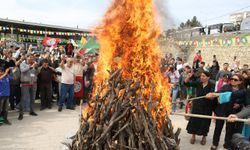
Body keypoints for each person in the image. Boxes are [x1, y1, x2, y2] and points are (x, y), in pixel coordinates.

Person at [211, 74, 244, 150]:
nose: (232, 80)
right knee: (218, 128)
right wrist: (214, 96)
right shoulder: (226, 87)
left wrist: (239, 104)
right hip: (221, 111)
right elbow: (218, 93)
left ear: (240, 82)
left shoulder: (242, 90)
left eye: (235, 80)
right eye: (232, 79)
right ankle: (214, 144)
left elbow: (244, 101)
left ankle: (226, 145)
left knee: (229, 130)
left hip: (232, 113)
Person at [184, 71, 216, 145]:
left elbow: (213, 95)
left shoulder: (212, 85)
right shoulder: (198, 83)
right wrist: (188, 77)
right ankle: (193, 136)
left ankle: (204, 137)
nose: (201, 77)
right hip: (197, 105)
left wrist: (211, 96)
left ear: (208, 77)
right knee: (195, 120)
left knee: (205, 122)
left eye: (204, 76)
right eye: (201, 76)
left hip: (207, 106)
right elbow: (187, 84)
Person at [19, 55, 38, 120]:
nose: (31, 58)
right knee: (23, 99)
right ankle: (21, 113)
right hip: (25, 83)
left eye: (32, 57)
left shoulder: (34, 64)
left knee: (32, 98)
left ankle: (31, 111)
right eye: (30, 57)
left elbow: (37, 73)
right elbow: (22, 71)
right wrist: (30, 67)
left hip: (33, 83)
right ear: (27, 57)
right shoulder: (23, 64)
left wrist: (36, 67)